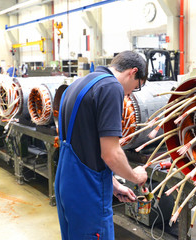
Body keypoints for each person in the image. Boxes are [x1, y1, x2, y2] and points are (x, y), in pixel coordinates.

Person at [55, 50, 148, 240]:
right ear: (132, 72)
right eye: (136, 87)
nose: (130, 93)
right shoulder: (111, 87)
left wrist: (113, 184)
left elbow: (85, 143)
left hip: (67, 184)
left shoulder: (80, 84)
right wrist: (134, 176)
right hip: (88, 194)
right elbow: (111, 153)